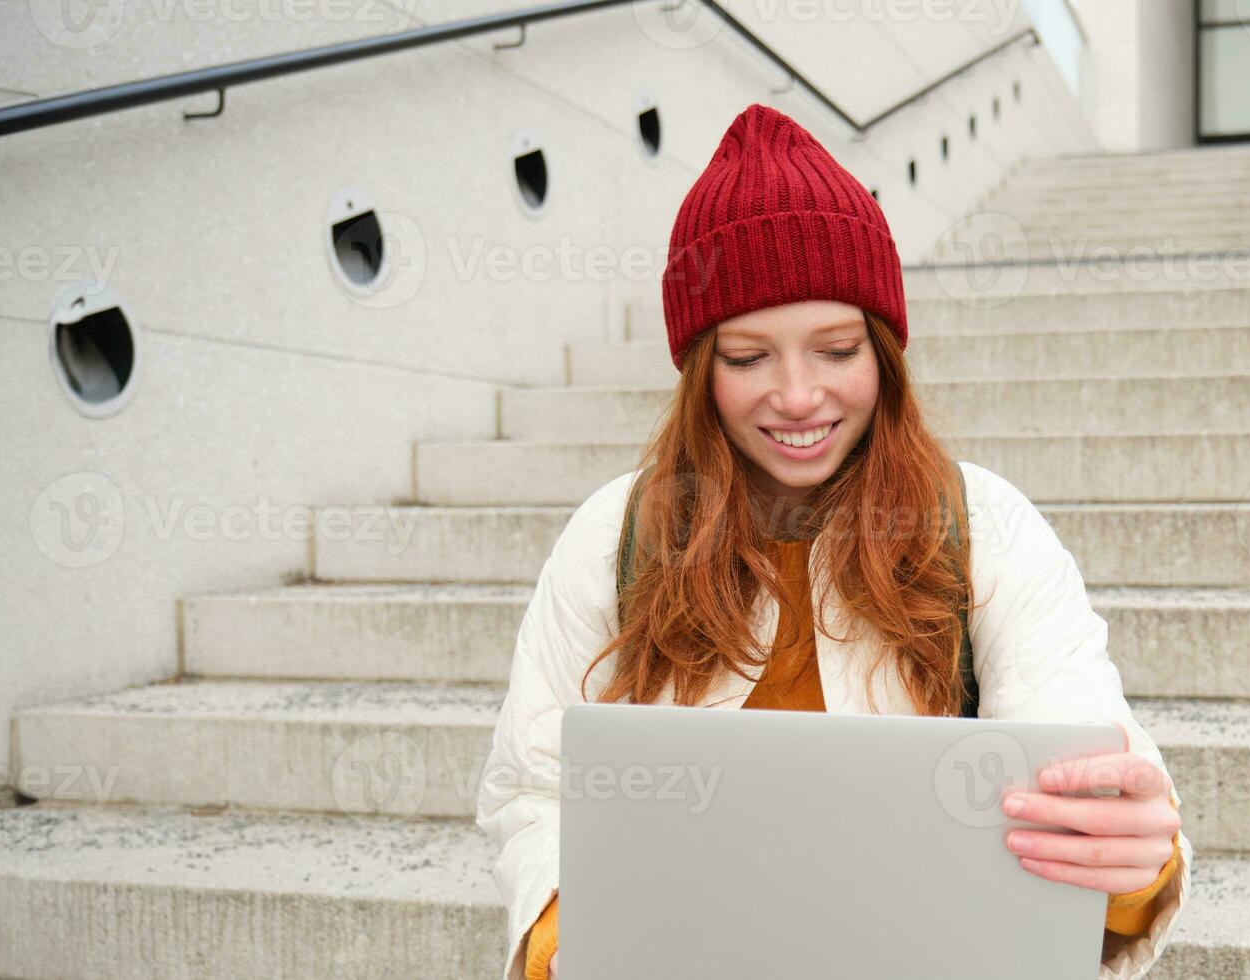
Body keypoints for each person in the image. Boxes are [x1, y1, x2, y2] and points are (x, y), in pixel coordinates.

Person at [474, 103, 1190, 980]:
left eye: (837, 347)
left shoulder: (986, 526)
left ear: (884, 352)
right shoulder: (614, 535)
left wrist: (1129, 863)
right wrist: (570, 939)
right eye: (746, 358)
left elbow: (1076, 749)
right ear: (700, 373)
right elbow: (534, 789)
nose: (799, 395)